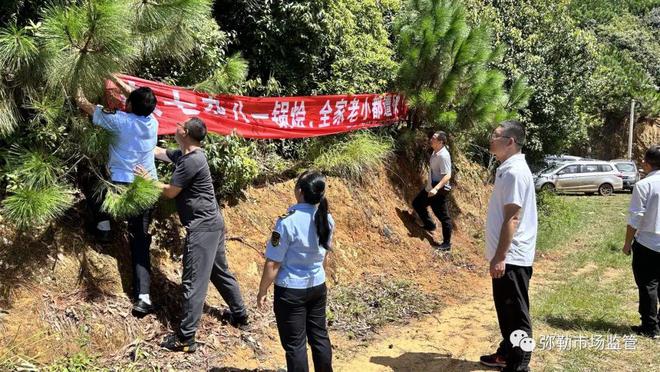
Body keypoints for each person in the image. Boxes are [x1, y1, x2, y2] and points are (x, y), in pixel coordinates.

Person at [139, 117, 248, 353]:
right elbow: (159, 152)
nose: (175, 127)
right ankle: (240, 315)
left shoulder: (192, 161)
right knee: (219, 271)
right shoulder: (187, 155)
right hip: (212, 223)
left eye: (179, 125)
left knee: (193, 281)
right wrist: (136, 139)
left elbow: (170, 192)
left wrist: (149, 180)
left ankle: (185, 338)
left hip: (203, 226)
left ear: (185, 132)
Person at [75, 77, 159, 316]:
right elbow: (137, 97)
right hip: (147, 187)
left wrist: (78, 73)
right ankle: (144, 296)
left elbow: (83, 103)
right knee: (139, 240)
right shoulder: (152, 121)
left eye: (127, 100)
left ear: (130, 105)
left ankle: (103, 226)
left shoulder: (119, 120)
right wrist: (114, 78)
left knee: (93, 183)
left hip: (122, 186)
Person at [257, 171, 334, 372]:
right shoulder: (327, 219)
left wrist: (262, 290)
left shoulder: (286, 222)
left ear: (299, 191)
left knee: (295, 345)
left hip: (290, 291)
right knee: (319, 336)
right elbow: (325, 256)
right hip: (317, 285)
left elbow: (273, 263)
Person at [479, 120, 537, 372]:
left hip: (511, 257)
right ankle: (506, 353)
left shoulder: (514, 172)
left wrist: (500, 256)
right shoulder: (508, 168)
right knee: (506, 311)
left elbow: (513, 217)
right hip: (507, 255)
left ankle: (519, 364)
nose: (491, 139)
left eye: (496, 136)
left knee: (515, 315)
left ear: (510, 141)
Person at [622, 144, 660, 339]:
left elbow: (635, 217)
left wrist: (627, 243)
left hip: (648, 242)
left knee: (648, 285)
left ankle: (650, 327)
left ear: (646, 163)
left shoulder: (644, 185)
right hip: (650, 241)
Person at [412, 131, 453, 251]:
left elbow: (448, 175)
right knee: (417, 203)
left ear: (440, 142)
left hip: (438, 189)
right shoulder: (436, 152)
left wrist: (436, 188)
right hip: (431, 186)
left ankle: (446, 244)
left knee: (444, 217)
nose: (431, 139)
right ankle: (430, 225)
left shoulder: (443, 155)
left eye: (434, 138)